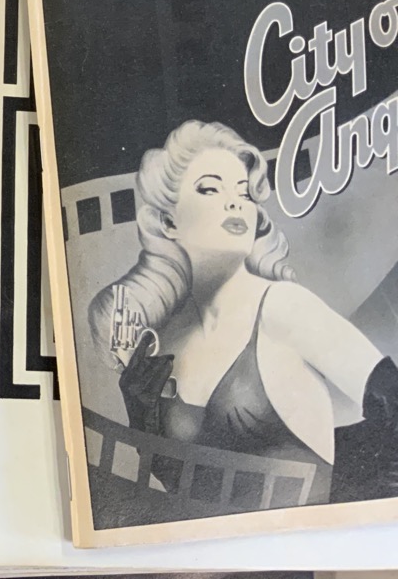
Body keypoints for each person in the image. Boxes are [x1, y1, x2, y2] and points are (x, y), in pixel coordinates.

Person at [89, 120, 398, 504]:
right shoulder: (168, 343)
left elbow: (393, 400)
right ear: (168, 222)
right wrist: (141, 423)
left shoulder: (282, 307)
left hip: (308, 536)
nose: (235, 202)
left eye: (244, 193)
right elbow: (178, 485)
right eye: (210, 189)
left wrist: (349, 512)